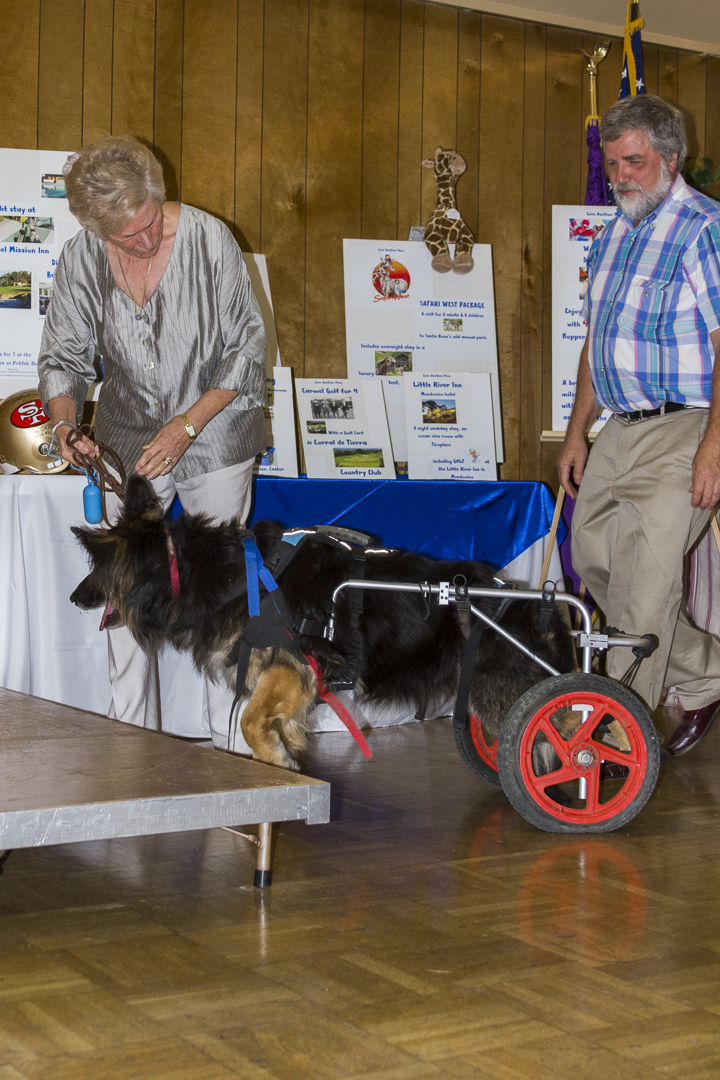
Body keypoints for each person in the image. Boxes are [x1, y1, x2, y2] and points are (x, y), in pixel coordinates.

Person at [38, 135, 267, 752]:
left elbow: (245, 350)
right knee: (123, 587)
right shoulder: (83, 255)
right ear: (95, 229)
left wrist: (186, 425)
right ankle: (130, 741)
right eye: (123, 237)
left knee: (221, 594)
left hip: (216, 428)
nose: (141, 242)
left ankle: (229, 745)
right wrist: (65, 425)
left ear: (157, 194)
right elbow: (63, 357)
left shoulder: (210, 239)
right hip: (127, 437)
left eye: (148, 226)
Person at [557, 94, 720, 757]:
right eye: (613, 163)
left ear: (671, 159)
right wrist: (577, 431)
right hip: (618, 428)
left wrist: (714, 447)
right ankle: (707, 673)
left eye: (635, 162)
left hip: (686, 426)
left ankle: (615, 741)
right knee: (592, 561)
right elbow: (596, 341)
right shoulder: (613, 235)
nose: (620, 176)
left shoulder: (704, 229)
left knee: (645, 589)